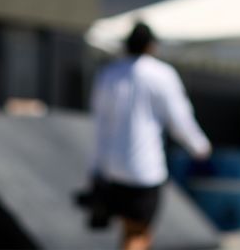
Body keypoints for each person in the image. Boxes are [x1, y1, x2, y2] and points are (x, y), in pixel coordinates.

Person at [89, 22, 212, 250]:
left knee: (128, 230)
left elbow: (100, 122)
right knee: (140, 233)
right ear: (151, 46)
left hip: (112, 167)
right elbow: (180, 118)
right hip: (145, 168)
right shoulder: (161, 74)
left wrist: (95, 166)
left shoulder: (109, 74)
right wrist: (199, 146)